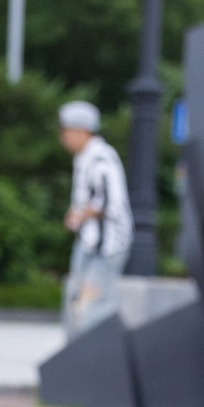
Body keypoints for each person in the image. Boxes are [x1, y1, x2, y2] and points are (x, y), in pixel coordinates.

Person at [58, 101, 130, 335]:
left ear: (81, 130)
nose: (63, 138)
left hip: (106, 246)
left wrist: (80, 214)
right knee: (75, 300)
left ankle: (96, 361)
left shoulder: (101, 157)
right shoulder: (85, 157)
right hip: (89, 241)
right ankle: (77, 356)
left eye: (66, 131)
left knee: (94, 306)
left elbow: (110, 201)